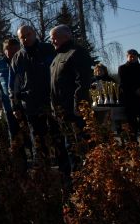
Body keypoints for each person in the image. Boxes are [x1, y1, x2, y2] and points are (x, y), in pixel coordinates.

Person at [9, 25, 59, 169]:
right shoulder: (17, 58)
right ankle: (43, 172)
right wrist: (15, 105)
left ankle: (65, 172)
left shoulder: (49, 50)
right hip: (31, 105)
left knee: (58, 137)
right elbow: (13, 85)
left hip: (53, 102)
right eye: (22, 37)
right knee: (38, 141)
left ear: (34, 34)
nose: (26, 39)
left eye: (28, 35)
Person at [49, 24, 93, 173]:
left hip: (75, 111)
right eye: (51, 38)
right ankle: (74, 177)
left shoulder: (76, 53)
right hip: (61, 112)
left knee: (80, 147)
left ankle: (85, 177)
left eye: (55, 38)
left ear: (66, 36)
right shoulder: (57, 57)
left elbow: (83, 81)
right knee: (69, 148)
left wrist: (78, 105)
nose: (52, 41)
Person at [0, 38, 22, 145]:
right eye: (9, 49)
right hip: (9, 106)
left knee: (31, 134)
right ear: (4, 50)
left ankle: (35, 154)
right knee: (14, 135)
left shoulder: (26, 59)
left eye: (15, 48)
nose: (13, 51)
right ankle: (17, 155)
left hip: (27, 105)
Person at [118, 49, 140, 152]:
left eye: (134, 56)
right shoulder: (123, 68)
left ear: (138, 57)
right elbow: (124, 83)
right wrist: (135, 90)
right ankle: (133, 146)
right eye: (130, 56)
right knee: (132, 124)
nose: (133, 57)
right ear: (127, 57)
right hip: (131, 100)